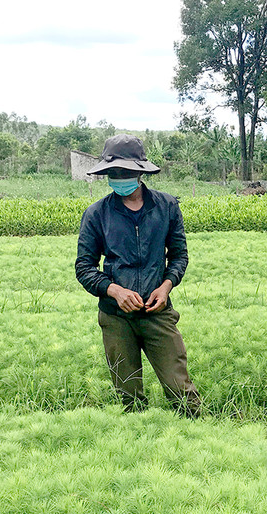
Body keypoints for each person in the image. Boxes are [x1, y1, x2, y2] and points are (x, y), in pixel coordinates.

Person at [76, 134, 201, 418]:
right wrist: (115, 291)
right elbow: (84, 267)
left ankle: (196, 439)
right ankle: (138, 446)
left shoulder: (166, 207)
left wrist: (166, 286)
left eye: (126, 172)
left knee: (182, 392)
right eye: (114, 173)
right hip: (116, 317)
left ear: (140, 171)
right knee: (129, 396)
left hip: (157, 313)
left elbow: (179, 255)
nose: (120, 178)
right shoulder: (97, 214)